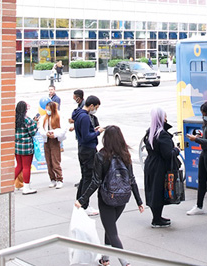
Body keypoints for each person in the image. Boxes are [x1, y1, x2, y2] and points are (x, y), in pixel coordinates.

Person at [75, 125, 144, 266]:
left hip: (107, 198)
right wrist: (139, 201)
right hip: (123, 198)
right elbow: (132, 179)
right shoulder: (126, 155)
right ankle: (105, 259)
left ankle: (125, 262)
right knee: (110, 227)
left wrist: (82, 200)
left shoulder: (101, 156)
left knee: (112, 232)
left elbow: (96, 181)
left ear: (105, 139)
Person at [72, 95, 104, 216]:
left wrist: (93, 131)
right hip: (88, 149)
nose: (95, 110)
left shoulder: (78, 114)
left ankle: (80, 202)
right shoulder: (85, 117)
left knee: (85, 176)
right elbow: (86, 137)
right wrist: (97, 132)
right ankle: (84, 205)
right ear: (91, 106)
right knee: (88, 178)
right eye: (95, 107)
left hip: (82, 148)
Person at [143, 108, 175, 228]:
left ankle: (157, 217)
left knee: (153, 190)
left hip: (150, 164)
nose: (166, 118)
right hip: (159, 166)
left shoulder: (150, 131)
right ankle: (157, 219)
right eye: (165, 116)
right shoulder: (162, 134)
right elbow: (168, 154)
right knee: (158, 191)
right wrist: (176, 150)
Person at [14, 101, 39, 195]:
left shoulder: (14, 119)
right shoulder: (27, 120)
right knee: (26, 167)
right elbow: (33, 132)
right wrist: (35, 122)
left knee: (19, 166)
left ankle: (8, 184)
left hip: (17, 147)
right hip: (26, 147)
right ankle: (26, 187)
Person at [39, 101, 66, 189]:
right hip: (46, 140)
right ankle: (52, 179)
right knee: (48, 161)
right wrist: (46, 133)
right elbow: (40, 129)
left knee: (55, 160)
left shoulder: (58, 117)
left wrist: (54, 133)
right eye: (47, 109)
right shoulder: (43, 118)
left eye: (49, 109)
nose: (48, 111)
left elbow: (63, 129)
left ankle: (59, 179)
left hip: (55, 140)